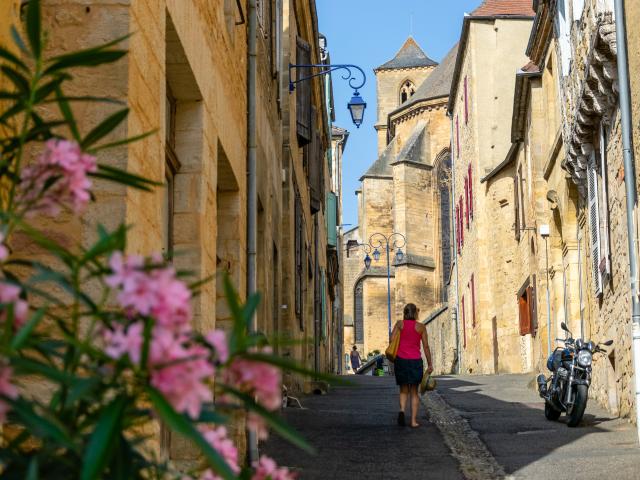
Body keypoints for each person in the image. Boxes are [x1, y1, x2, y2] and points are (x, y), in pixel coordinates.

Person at [393, 303, 433, 428]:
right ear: (415, 313)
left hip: (401, 360)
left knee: (403, 389)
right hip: (415, 361)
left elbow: (391, 340)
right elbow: (426, 346)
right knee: (414, 392)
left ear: (405, 313)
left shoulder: (399, 324)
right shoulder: (421, 327)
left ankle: (402, 410)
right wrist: (430, 363)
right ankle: (413, 421)